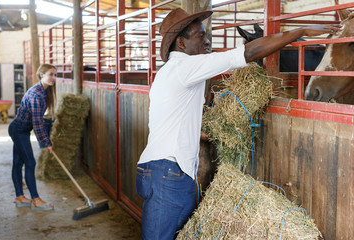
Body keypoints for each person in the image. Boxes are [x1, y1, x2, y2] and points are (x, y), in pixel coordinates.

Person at [135, 8, 341, 240]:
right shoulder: (185, 67)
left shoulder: (170, 72)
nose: (207, 40)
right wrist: (300, 31)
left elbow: (174, 118)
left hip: (161, 170)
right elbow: (249, 52)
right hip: (169, 173)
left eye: (206, 34)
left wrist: (200, 133)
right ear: (181, 43)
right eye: (200, 36)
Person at [8, 64, 57, 210]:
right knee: (30, 162)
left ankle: (20, 197)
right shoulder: (36, 94)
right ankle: (35, 199)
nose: (54, 78)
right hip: (19, 130)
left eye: (55, 75)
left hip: (21, 129)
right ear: (41, 75)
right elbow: (37, 122)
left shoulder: (43, 91)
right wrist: (45, 142)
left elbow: (38, 119)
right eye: (50, 74)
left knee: (18, 163)